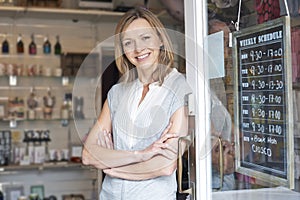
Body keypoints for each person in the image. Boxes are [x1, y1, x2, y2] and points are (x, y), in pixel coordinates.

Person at [82, 7, 192, 200]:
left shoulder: (180, 87)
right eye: (128, 42)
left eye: (145, 38)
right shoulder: (117, 93)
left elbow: (165, 165)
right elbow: (89, 155)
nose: (138, 48)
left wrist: (113, 165)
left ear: (160, 39)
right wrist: (140, 155)